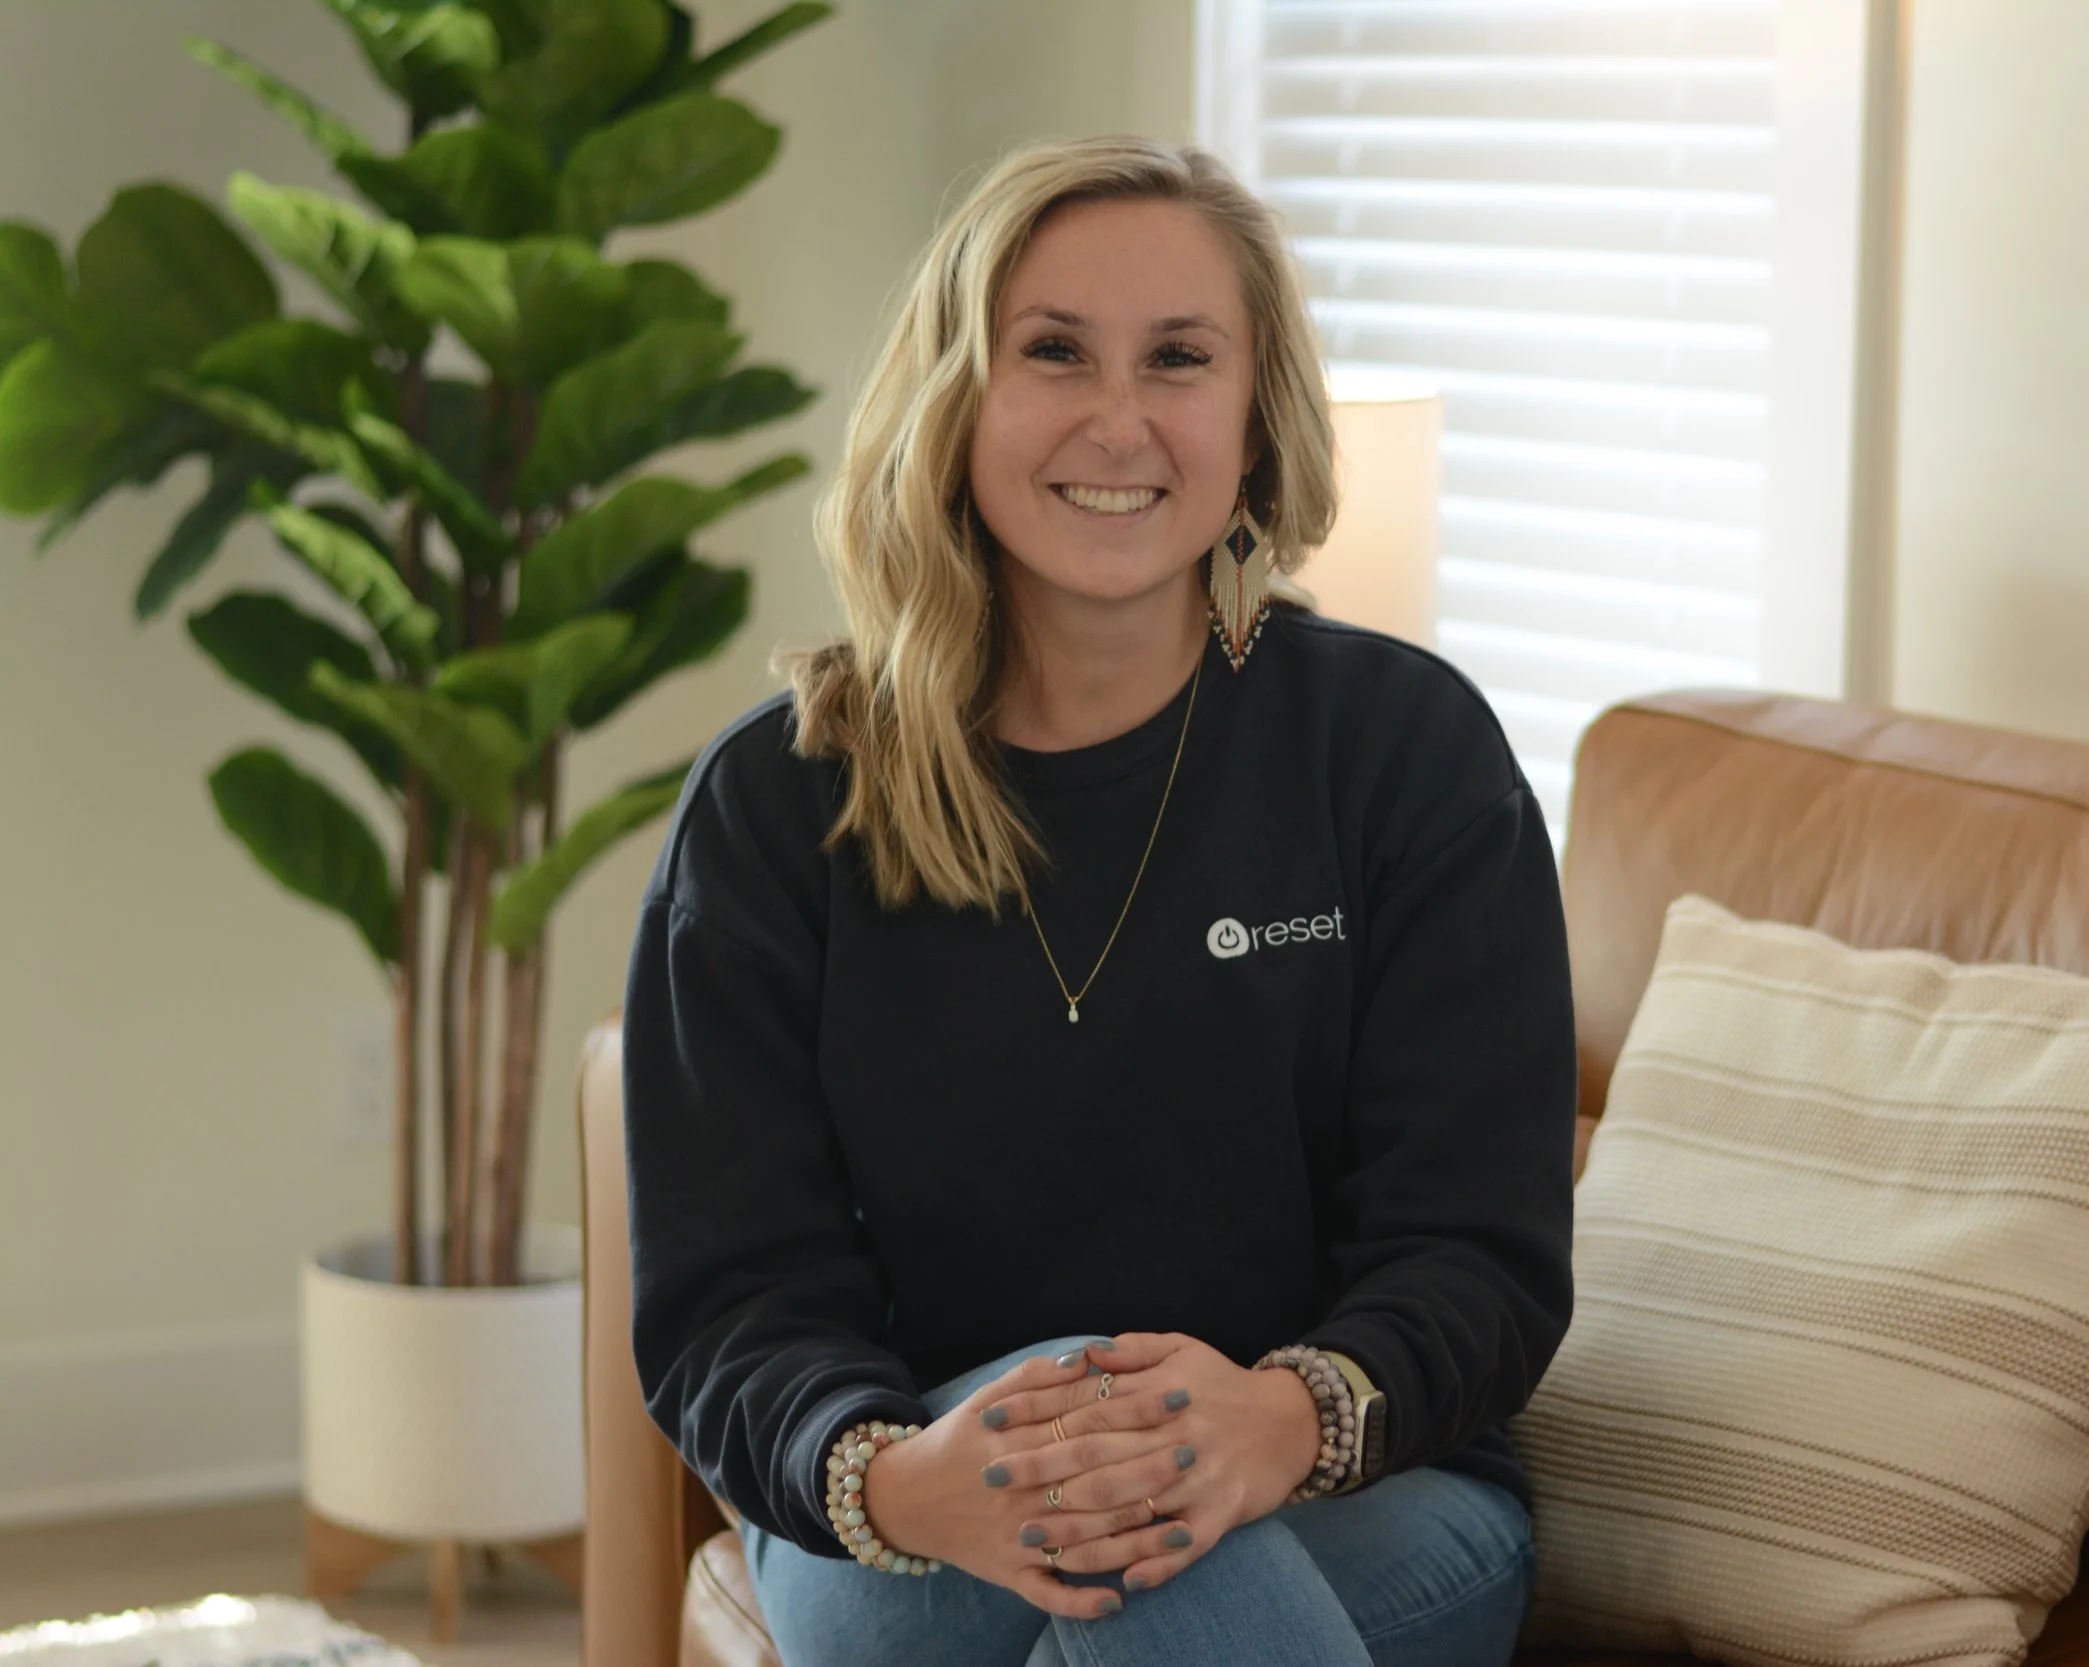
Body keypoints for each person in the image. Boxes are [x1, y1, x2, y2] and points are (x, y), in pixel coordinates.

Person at [621, 134, 1577, 1667]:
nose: (1117, 420)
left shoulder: (1405, 754)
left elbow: (1480, 1251)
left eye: (1179, 359)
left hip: (1365, 1487)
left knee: (1149, 1547)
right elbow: (731, 1297)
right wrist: (900, 1476)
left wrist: (1276, 1418)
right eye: (1055, 351)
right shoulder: (778, 802)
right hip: (909, 1507)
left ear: (1255, 421)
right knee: (1121, 1513)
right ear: (956, 401)